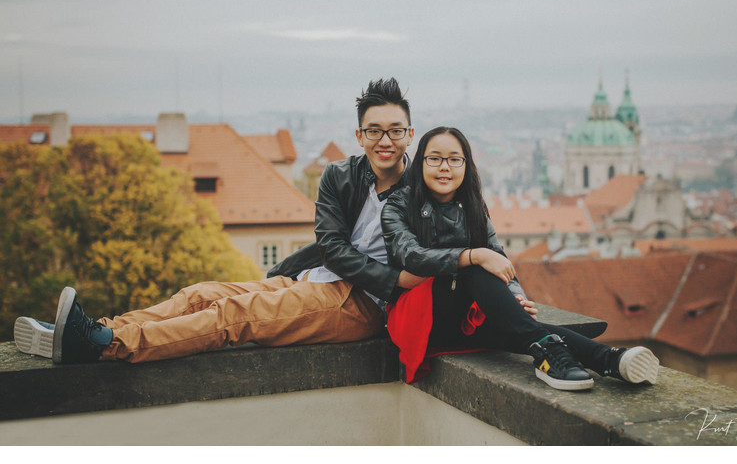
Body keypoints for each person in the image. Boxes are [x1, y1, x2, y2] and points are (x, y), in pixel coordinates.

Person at [15, 77, 429, 364]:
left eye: (395, 131)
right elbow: (331, 245)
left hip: (361, 304)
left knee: (234, 315)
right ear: (360, 137)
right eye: (374, 131)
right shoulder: (340, 175)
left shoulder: (422, 191)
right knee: (199, 294)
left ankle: (107, 345)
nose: (385, 141)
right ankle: (83, 333)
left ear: (410, 134)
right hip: (315, 282)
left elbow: (443, 244)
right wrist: (283, 274)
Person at [380, 126, 659, 391]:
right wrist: (472, 255)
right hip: (418, 317)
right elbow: (411, 256)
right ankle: (550, 356)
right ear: (420, 164)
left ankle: (610, 359)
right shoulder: (399, 204)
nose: (444, 167)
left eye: (454, 159)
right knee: (476, 268)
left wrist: (515, 297)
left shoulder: (475, 207)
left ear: (466, 165)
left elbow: (499, 259)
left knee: (520, 324)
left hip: (465, 318)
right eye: (435, 159)